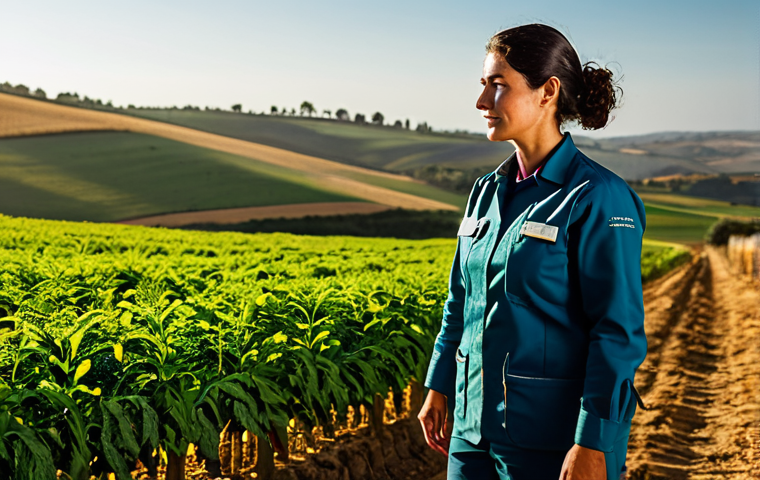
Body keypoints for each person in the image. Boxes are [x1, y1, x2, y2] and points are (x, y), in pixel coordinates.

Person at [417, 23, 648, 480]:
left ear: (548, 92)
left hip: (552, 439)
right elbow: (460, 303)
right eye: (483, 85)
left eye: (498, 86)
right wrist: (438, 386)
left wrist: (593, 440)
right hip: (470, 430)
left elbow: (617, 332)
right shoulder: (486, 191)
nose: (482, 102)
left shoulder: (599, 196)